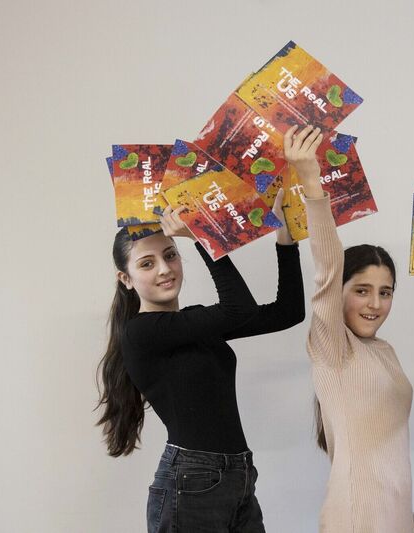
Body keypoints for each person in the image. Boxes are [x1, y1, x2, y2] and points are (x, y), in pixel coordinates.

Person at [96, 195, 305, 532]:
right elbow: (238, 309)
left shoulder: (192, 323)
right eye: (147, 264)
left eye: (170, 255)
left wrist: (285, 237)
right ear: (126, 279)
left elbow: (288, 312)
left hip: (238, 476)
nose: (164, 269)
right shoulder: (140, 332)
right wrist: (202, 235)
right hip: (191, 482)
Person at [285, 124, 414, 532]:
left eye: (385, 292)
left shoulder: (385, 351)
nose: (375, 304)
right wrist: (311, 182)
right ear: (338, 294)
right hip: (358, 515)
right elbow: (328, 267)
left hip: (397, 514)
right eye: (362, 290)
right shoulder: (332, 346)